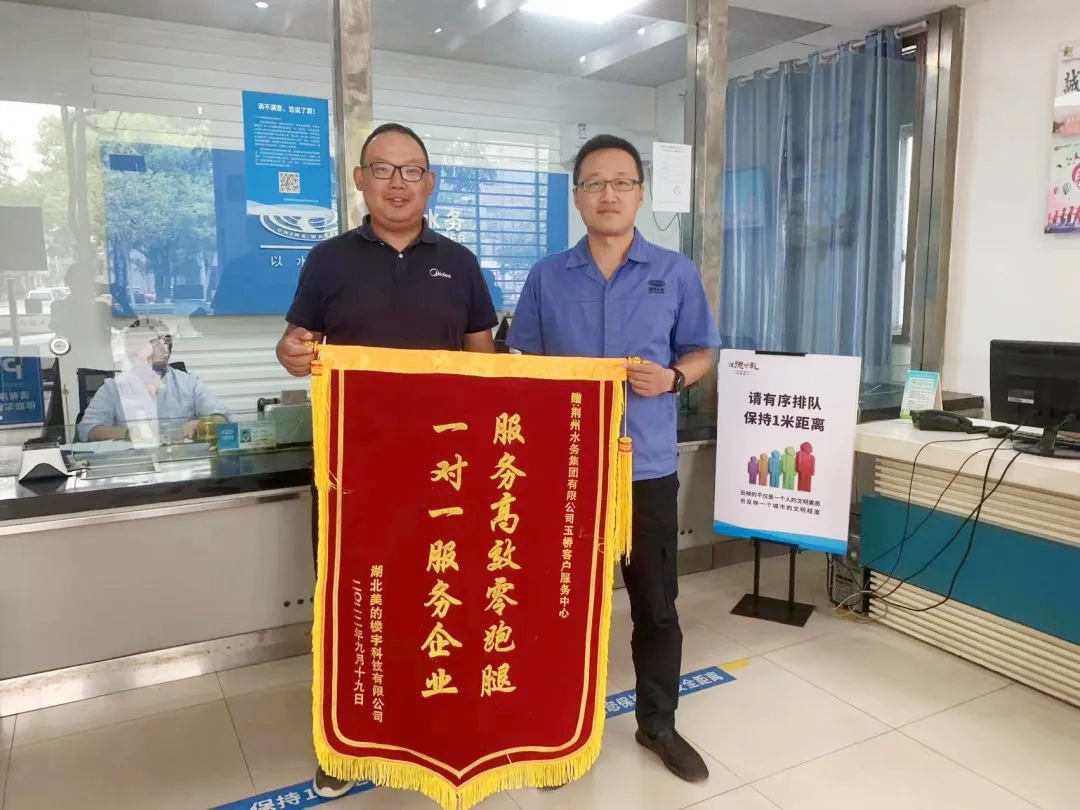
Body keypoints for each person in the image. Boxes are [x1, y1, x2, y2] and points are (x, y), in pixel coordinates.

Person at [277, 122, 498, 799]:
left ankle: (437, 726)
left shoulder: (460, 262)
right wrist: (291, 353)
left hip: (443, 471)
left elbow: (484, 363)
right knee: (351, 603)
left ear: (430, 182)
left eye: (411, 171)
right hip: (353, 470)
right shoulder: (327, 260)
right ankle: (345, 743)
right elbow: (296, 342)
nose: (397, 183)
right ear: (359, 180)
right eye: (382, 169)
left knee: (439, 598)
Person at [508, 134, 720, 784]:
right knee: (563, 606)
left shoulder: (675, 272)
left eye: (622, 182)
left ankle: (658, 724)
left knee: (656, 604)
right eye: (594, 183)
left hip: (646, 470)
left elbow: (701, 351)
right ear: (576, 197)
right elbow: (522, 364)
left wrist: (673, 378)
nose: (609, 194)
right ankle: (561, 728)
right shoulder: (546, 277)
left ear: (640, 194)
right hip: (565, 473)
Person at [78, 319, 230, 443]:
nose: (164, 349)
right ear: (135, 350)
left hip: (179, 460)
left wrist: (199, 424)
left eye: (167, 341)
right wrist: (130, 433)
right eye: (155, 343)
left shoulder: (188, 382)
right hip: (133, 463)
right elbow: (88, 430)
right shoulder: (114, 387)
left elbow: (222, 417)